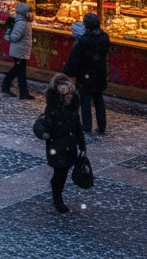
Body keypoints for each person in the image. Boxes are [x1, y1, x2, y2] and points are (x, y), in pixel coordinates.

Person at [35, 74, 88, 213]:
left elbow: (77, 127)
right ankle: (57, 199)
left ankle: (57, 192)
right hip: (57, 146)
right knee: (60, 173)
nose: (69, 98)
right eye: (66, 95)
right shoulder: (53, 108)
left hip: (69, 146)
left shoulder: (72, 108)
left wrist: (82, 146)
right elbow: (51, 128)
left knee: (63, 172)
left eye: (70, 94)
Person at [62, 12, 110, 135]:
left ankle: (87, 126)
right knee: (98, 99)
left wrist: (67, 71)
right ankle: (102, 126)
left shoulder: (83, 40)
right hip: (99, 74)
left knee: (85, 101)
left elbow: (75, 58)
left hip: (86, 75)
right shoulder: (104, 37)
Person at [2, 2, 34, 100]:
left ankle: (23, 93)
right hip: (19, 51)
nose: (31, 14)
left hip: (21, 50)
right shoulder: (21, 23)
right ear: (25, 13)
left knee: (20, 71)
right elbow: (14, 37)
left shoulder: (24, 22)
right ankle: (7, 87)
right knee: (18, 71)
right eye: (29, 12)